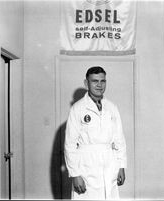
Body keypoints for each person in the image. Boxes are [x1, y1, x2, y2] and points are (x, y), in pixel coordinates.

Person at [64, 66, 127, 200]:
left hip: (110, 164)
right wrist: (75, 174)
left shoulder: (112, 107)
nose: (99, 85)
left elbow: (119, 139)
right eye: (95, 81)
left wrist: (121, 165)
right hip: (86, 167)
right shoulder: (77, 109)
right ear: (86, 83)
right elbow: (69, 144)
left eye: (102, 81)